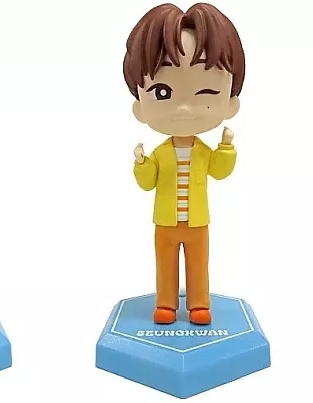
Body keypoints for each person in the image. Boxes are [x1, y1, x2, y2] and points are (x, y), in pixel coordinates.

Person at [124, 3, 245, 324]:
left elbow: (219, 171)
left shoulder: (204, 152)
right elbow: (147, 182)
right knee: (165, 263)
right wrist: (141, 163)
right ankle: (165, 302)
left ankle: (199, 303)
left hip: (197, 222)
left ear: (230, 102)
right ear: (139, 105)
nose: (184, 109)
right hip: (165, 221)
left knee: (198, 263)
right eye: (162, 92)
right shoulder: (161, 153)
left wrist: (226, 148)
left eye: (207, 91)